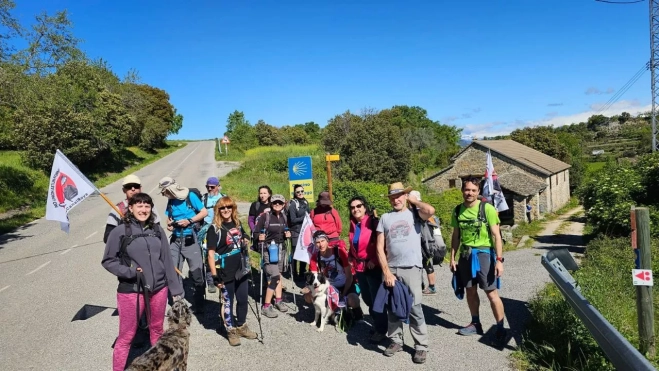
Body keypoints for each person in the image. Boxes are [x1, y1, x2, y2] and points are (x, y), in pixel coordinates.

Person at [101, 193, 183, 371]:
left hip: (159, 288)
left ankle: (160, 367)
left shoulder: (157, 230)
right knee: (126, 337)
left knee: (157, 331)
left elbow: (167, 260)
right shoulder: (119, 232)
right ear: (130, 208)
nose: (143, 210)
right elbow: (108, 261)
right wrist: (129, 272)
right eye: (139, 205)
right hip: (131, 290)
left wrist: (176, 290)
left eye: (147, 206)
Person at [376, 182, 434, 364]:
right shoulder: (385, 218)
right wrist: (386, 271)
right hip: (392, 268)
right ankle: (395, 340)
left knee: (415, 307)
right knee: (393, 306)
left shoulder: (415, 214)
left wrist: (413, 200)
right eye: (393, 197)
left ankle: (421, 346)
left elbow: (430, 210)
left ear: (405, 196)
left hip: (412, 267)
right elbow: (379, 247)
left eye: (399, 196)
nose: (396, 200)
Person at [450, 177, 506, 343]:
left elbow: (497, 235)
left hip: (484, 255)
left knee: (491, 293)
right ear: (462, 191)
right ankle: (475, 323)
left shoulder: (487, 209)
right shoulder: (457, 210)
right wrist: (452, 258)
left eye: (473, 190)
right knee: (470, 290)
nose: (470, 193)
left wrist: (499, 260)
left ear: (478, 192)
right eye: (467, 190)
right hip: (466, 255)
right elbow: (456, 236)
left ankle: (501, 327)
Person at [206, 196, 258, 346]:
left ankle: (241, 326)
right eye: (222, 208)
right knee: (228, 302)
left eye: (229, 207)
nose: (226, 210)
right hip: (224, 271)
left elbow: (242, 234)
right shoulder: (214, 229)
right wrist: (214, 276)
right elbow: (210, 254)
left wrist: (246, 237)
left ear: (233, 208)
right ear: (218, 210)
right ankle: (231, 330)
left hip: (240, 268)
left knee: (242, 299)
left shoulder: (237, 222)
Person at [159, 176, 208, 313]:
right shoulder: (171, 200)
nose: (164, 194)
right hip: (175, 239)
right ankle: (178, 304)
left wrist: (189, 221)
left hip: (190, 239)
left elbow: (204, 212)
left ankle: (199, 303)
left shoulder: (190, 196)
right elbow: (169, 217)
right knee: (173, 272)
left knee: (196, 271)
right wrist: (169, 224)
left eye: (165, 191)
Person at [347, 196, 387, 342]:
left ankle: (382, 330)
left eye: (359, 206)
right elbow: (354, 243)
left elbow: (383, 245)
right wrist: (350, 255)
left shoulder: (373, 222)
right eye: (352, 207)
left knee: (377, 300)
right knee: (368, 299)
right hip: (359, 267)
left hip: (373, 267)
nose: (356, 209)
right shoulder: (353, 224)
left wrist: (375, 260)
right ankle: (377, 325)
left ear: (365, 207)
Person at [254, 194, 291, 318]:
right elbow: (255, 232)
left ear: (283, 204)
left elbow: (285, 230)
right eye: (275, 203)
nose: (277, 205)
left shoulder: (284, 217)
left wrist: (287, 234)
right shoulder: (265, 217)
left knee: (278, 275)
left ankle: (278, 300)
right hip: (268, 250)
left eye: (280, 203)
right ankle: (266, 305)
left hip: (281, 249)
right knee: (274, 276)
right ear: (271, 204)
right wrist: (259, 237)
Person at [305, 230, 360, 309]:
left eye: (322, 241)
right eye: (318, 242)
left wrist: (343, 294)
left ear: (327, 241)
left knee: (353, 299)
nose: (321, 245)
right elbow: (314, 279)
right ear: (315, 244)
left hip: (344, 285)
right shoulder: (315, 257)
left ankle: (358, 316)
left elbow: (349, 277)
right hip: (328, 287)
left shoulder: (339, 252)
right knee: (308, 297)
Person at [103, 174, 161, 243]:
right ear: (124, 190)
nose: (133, 189)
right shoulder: (118, 209)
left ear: (140, 188)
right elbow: (107, 238)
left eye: (136, 186)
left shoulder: (149, 206)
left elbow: (158, 231)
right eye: (129, 187)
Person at [198, 176, 226, 294]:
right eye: (207, 187)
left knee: (223, 254)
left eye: (212, 187)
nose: (210, 189)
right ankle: (210, 282)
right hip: (207, 230)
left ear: (218, 186)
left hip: (222, 229)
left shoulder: (224, 198)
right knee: (208, 254)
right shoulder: (203, 198)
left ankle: (223, 279)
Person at [409, 191, 437, 296]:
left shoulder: (420, 211)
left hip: (423, 243)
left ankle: (431, 286)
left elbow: (430, 210)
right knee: (424, 265)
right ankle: (423, 285)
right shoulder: (420, 209)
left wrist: (414, 202)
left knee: (426, 265)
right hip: (425, 242)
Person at [288, 184, 310, 282]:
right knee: (295, 254)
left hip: (305, 231)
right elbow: (292, 219)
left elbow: (309, 215)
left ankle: (302, 272)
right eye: (298, 192)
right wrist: (304, 217)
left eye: (302, 191)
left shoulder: (305, 201)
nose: (300, 193)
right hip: (295, 231)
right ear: (295, 193)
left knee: (304, 252)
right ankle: (294, 273)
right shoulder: (293, 204)